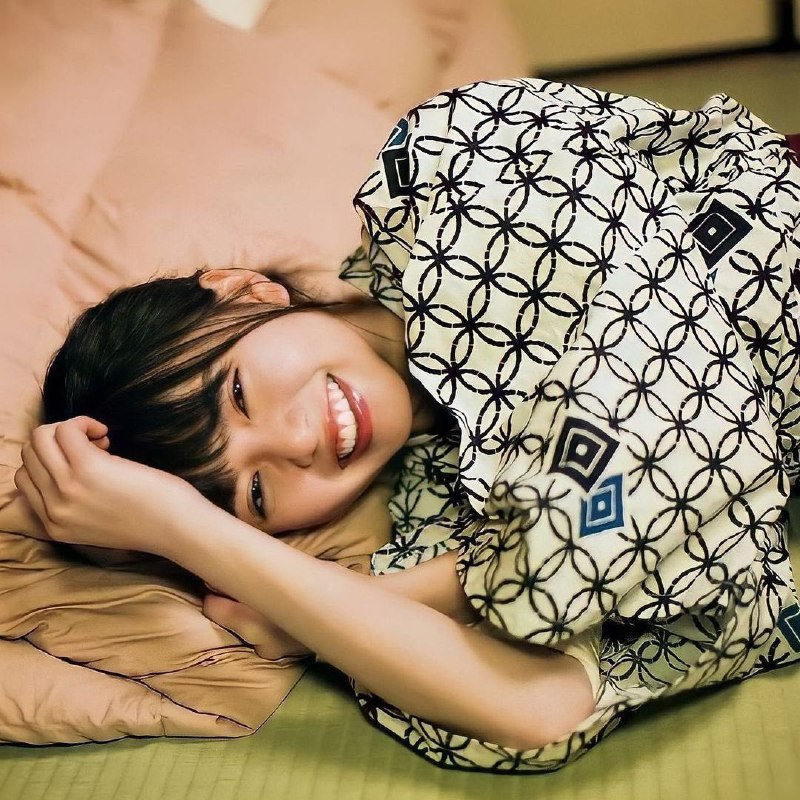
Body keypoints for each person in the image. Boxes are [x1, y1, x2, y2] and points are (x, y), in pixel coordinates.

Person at [14, 78, 800, 772]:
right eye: (255, 493)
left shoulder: (446, 177)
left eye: (242, 395)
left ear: (245, 291)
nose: (297, 444)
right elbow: (540, 709)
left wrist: (405, 592)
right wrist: (190, 532)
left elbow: (670, 441)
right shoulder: (436, 501)